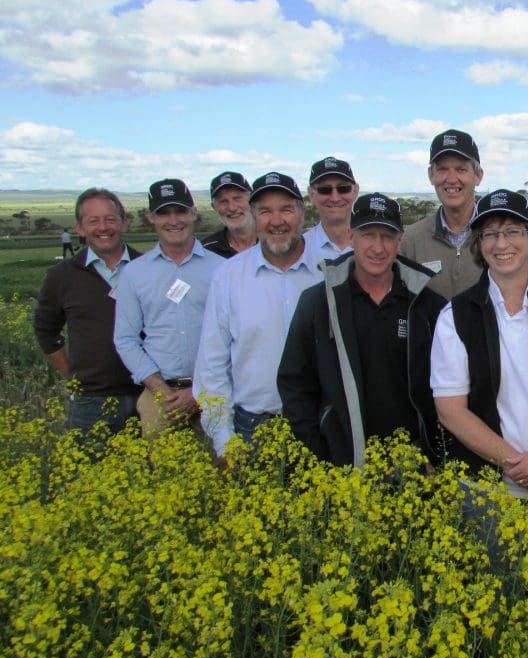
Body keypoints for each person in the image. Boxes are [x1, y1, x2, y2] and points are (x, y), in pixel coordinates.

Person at [430, 190, 528, 499]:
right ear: (479, 244)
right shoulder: (456, 316)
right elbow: (450, 410)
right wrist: (519, 465)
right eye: (489, 234)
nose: (501, 244)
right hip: (487, 492)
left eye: (512, 231)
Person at [278, 193, 446, 466]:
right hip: (340, 464)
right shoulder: (318, 303)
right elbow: (295, 385)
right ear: (350, 236)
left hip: (413, 467)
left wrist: (433, 453)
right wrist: (319, 456)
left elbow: (445, 390)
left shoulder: (428, 305)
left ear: (400, 240)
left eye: (387, 236)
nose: (377, 248)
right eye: (368, 234)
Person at [193, 172, 324, 456]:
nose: (276, 221)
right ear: (253, 215)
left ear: (302, 213)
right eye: (265, 211)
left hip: (320, 421)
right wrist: (223, 438)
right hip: (253, 426)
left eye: (286, 209)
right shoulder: (228, 276)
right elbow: (212, 362)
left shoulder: (328, 271)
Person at [114, 179, 224, 436]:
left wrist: (199, 391)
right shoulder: (134, 273)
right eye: (164, 213)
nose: (173, 220)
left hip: (214, 392)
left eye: (180, 211)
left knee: (223, 471)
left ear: (193, 213)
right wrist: (161, 390)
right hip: (159, 397)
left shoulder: (221, 268)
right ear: (151, 217)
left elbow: (233, 335)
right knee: (166, 473)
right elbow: (125, 339)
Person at [34, 188, 141, 432]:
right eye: (93, 221)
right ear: (80, 228)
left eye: (110, 219)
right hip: (90, 401)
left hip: (147, 394)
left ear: (124, 223)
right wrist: (72, 377)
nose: (103, 227)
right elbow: (45, 330)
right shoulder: (61, 276)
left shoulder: (148, 268)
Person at [400, 129, 485, 299]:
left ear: (477, 176)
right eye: (442, 169)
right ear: (431, 175)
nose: (451, 179)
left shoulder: (497, 236)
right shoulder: (410, 240)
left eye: (461, 169)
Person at [304, 156, 359, 258]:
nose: (335, 198)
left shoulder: (376, 246)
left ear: (355, 191)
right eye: (324, 189)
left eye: (343, 188)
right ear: (311, 194)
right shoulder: (299, 250)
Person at [201, 171, 257, 258]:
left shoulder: (274, 241)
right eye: (223, 201)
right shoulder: (206, 251)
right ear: (214, 207)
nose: (232, 208)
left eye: (237, 198)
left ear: (252, 200)